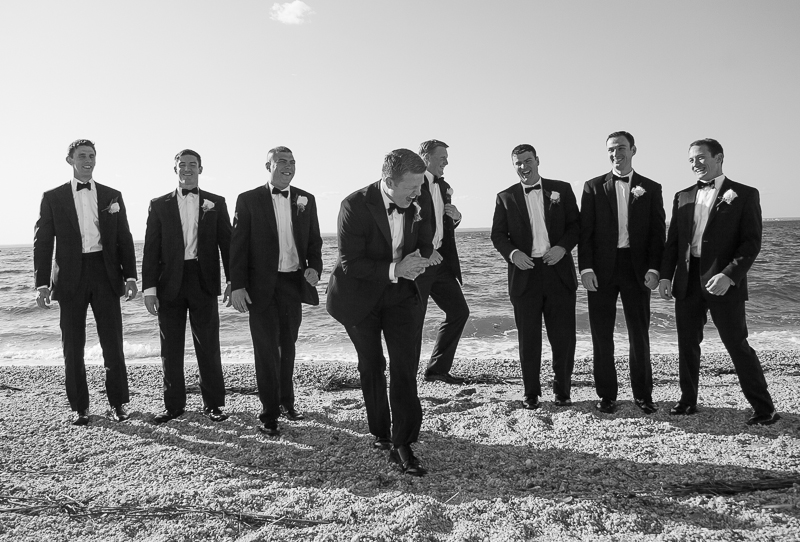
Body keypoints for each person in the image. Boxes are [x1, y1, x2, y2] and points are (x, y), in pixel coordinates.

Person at [326, 149, 433, 476]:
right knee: (372, 364)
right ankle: (380, 432)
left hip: (401, 294)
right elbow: (351, 263)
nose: (417, 193)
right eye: (410, 188)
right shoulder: (354, 205)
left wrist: (420, 258)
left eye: (420, 186)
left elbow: (426, 238)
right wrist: (395, 268)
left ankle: (404, 442)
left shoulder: (418, 195)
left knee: (404, 365)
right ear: (388, 181)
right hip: (358, 295)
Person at [659, 138, 779, 426]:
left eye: (701, 157)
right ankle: (688, 401)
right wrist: (665, 275)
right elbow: (674, 241)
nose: (695, 164)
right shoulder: (682, 196)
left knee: (736, 344)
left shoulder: (744, 194)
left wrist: (729, 275)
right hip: (687, 281)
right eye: (691, 160)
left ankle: (764, 408)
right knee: (687, 344)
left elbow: (751, 243)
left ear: (719, 158)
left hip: (722, 280)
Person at [33, 139, 138, 425]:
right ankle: (79, 407)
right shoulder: (53, 197)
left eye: (92, 155)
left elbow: (124, 237)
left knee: (113, 343)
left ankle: (118, 404)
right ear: (70, 160)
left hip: (105, 273)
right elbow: (43, 241)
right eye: (82, 156)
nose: (88, 160)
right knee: (72, 345)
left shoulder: (112, 195)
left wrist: (130, 276)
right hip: (69, 277)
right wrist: (41, 284)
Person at [230, 146, 323, 436]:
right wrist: (237, 285)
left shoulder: (306, 199)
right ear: (268, 166)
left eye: (292, 162)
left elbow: (315, 242)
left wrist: (315, 268)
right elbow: (238, 245)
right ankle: (269, 413)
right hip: (260, 287)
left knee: (288, 345)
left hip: (292, 283)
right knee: (266, 350)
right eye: (281, 161)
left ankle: (287, 402)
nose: (288, 166)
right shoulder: (248, 199)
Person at [578, 131, 666, 415]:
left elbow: (657, 234)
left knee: (639, 335)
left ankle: (643, 395)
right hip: (601, 270)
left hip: (637, 269)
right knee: (601, 335)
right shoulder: (592, 187)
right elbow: (585, 232)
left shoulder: (651, 188)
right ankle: (607, 395)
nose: (616, 154)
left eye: (621, 148)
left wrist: (655, 269)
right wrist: (586, 269)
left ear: (633, 150)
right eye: (611, 150)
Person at [142, 149, 232, 424]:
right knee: (170, 348)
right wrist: (149, 289)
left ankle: (213, 405)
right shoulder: (158, 204)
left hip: (203, 280)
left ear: (200, 169)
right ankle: (173, 406)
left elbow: (227, 245)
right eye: (182, 165)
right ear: (175, 170)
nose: (187, 169)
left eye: (193, 164)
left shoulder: (216, 202)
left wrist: (233, 281)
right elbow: (150, 249)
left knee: (208, 345)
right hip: (169, 282)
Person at [490, 144, 579, 409]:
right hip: (524, 275)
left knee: (563, 337)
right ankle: (531, 393)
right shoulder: (505, 197)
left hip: (558, 272)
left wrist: (562, 248)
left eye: (527, 161)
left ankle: (563, 391)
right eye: (518, 163)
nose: (523, 167)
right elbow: (497, 235)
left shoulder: (562, 189)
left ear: (537, 160)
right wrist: (513, 253)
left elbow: (576, 225)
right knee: (528, 339)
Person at [415, 139, 470, 385]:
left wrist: (456, 217)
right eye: (442, 157)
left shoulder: (444, 186)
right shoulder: (412, 183)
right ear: (426, 157)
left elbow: (440, 224)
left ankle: (437, 370)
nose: (446, 162)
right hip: (418, 262)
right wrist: (425, 251)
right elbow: (407, 225)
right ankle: (406, 375)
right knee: (414, 319)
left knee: (459, 312)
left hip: (441, 262)